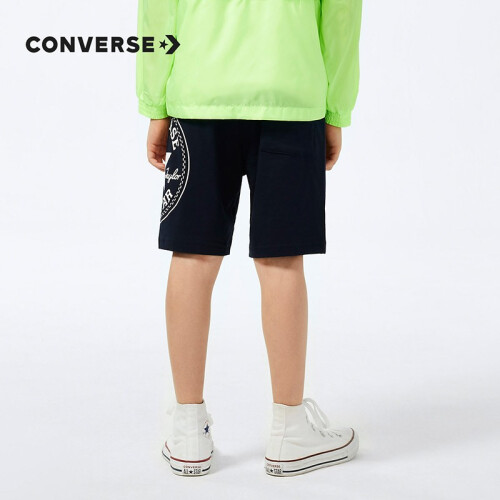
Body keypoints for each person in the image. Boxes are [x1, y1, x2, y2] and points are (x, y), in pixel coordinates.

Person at [136, 0, 362, 477]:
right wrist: (337, 109)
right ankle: (290, 431)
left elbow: (156, 10)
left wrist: (154, 104)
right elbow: (342, 14)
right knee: (282, 259)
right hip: (291, 92)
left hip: (199, 91)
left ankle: (187, 431)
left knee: (192, 254)